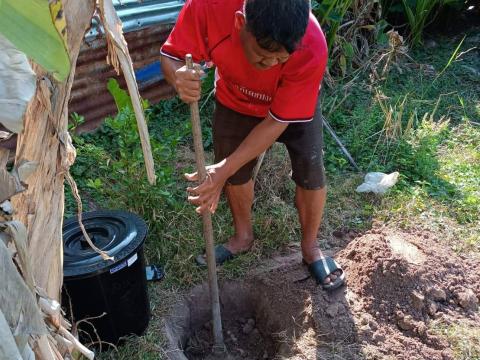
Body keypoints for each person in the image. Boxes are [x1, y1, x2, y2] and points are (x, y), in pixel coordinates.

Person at [160, 0, 345, 290]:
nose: (270, 66)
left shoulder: (312, 43)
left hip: (289, 110)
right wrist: (178, 77)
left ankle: (310, 249)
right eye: (262, 58)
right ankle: (242, 237)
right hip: (234, 99)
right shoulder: (208, 7)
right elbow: (171, 56)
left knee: (310, 170)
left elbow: (276, 122)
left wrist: (221, 170)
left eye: (280, 60)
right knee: (236, 173)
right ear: (239, 23)